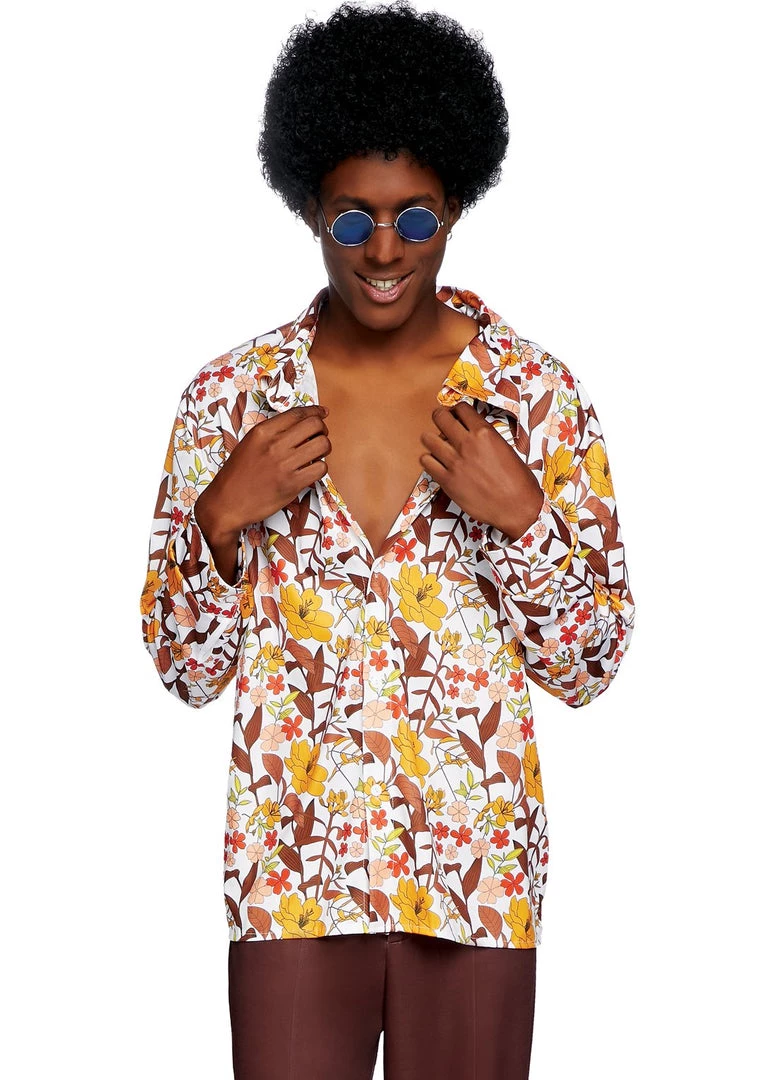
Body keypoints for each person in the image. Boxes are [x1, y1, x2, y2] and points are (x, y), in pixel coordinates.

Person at [139, 2, 636, 1077]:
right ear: (307, 207)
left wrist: (524, 521)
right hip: (291, 875)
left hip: (476, 879)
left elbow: (590, 666)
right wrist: (219, 520)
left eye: (414, 218)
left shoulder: (534, 398)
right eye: (350, 218)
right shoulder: (230, 399)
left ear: (455, 205)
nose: (381, 249)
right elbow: (186, 672)